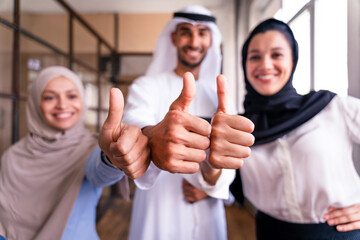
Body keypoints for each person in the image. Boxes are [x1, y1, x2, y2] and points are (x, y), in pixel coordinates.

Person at [116, 5, 254, 240]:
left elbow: (228, 165)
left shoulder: (218, 95)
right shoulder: (146, 86)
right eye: (186, 32)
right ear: (173, 37)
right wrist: (154, 135)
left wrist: (210, 184)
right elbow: (133, 123)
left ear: (210, 39)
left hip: (208, 217)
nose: (193, 41)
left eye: (202, 32)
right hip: (158, 213)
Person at [219, 18, 360, 239]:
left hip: (338, 233)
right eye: (255, 57)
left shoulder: (333, 108)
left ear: (293, 60)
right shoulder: (240, 128)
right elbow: (227, 181)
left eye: (276, 55)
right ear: (244, 64)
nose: (265, 65)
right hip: (269, 232)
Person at [0, 66, 149, 240]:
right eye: (49, 97)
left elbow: (99, 172)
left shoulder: (92, 147)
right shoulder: (13, 155)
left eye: (71, 96)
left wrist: (111, 156)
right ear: (35, 103)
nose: (62, 105)